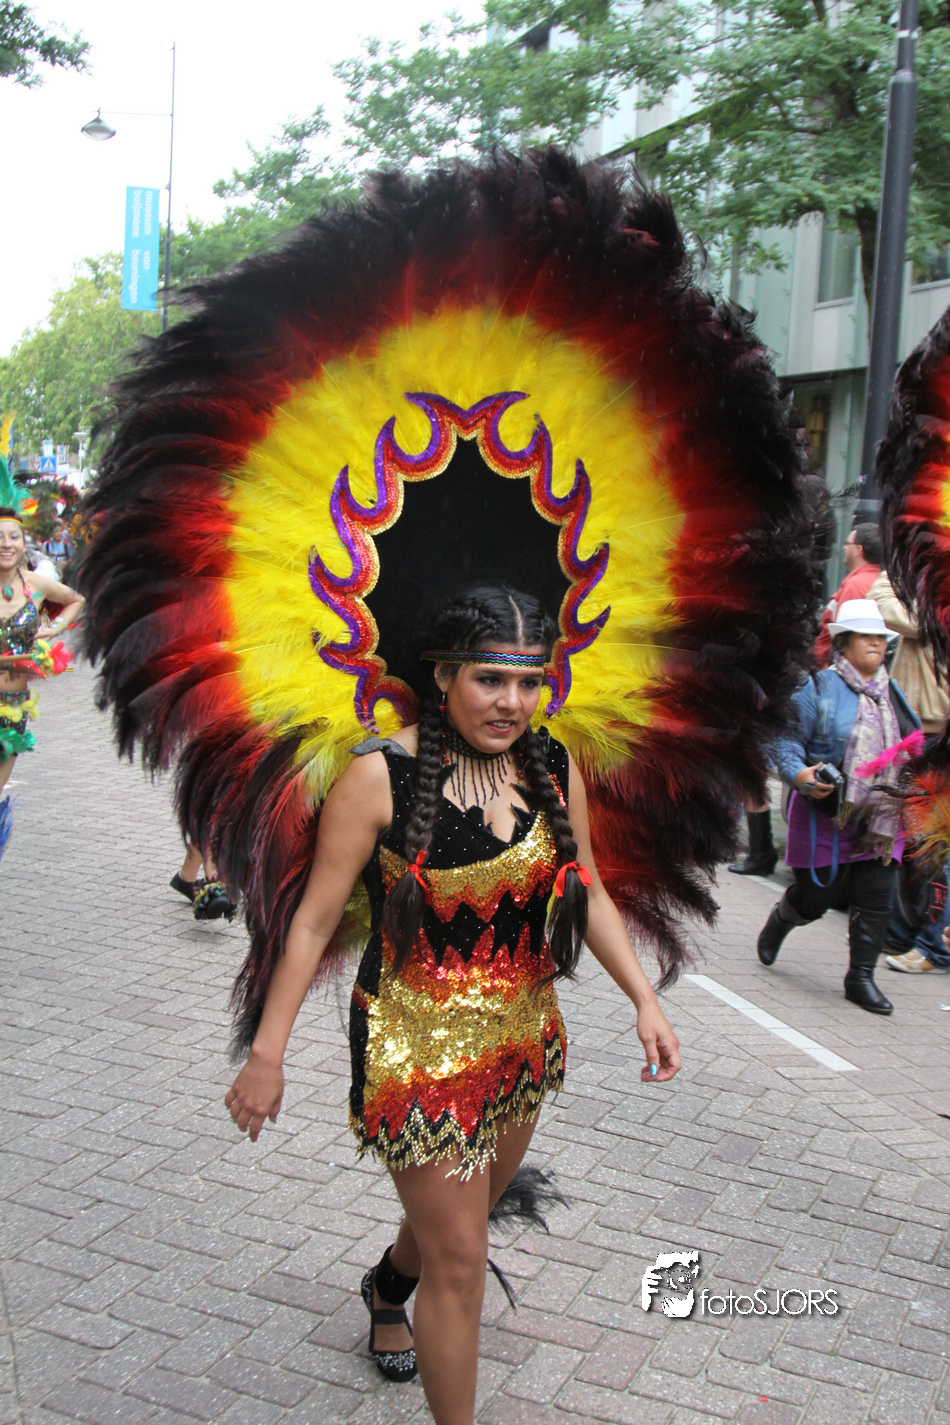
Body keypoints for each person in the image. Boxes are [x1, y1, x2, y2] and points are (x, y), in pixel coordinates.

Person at [225, 587, 681, 1423]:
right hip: (412, 1046)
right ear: (442, 678)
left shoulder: (551, 765)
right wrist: (267, 1052)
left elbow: (585, 884)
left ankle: (387, 1284)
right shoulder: (378, 776)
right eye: (489, 680)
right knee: (463, 1259)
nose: (512, 702)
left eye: (529, 682)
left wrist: (643, 1000)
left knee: (462, 1220)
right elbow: (313, 921)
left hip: (522, 1037)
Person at [757, 600, 921, 1014]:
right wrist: (800, 775)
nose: (875, 643)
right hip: (824, 813)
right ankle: (782, 919)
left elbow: (914, 748)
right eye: (865, 636)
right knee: (817, 897)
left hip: (881, 819)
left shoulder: (894, 695)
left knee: (876, 893)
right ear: (843, 643)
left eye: (880, 637)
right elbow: (785, 740)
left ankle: (860, 978)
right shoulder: (817, 687)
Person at [0, 505, 84, 848]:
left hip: (13, 708)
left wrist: (55, 627)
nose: (6, 544)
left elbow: (76, 599)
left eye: (13, 537)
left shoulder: (34, 585)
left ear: (23, 543)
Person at [813, 523, 882, 668]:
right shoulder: (878, 581)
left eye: (847, 544)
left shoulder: (856, 585)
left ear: (858, 549)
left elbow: (842, 637)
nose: (844, 548)